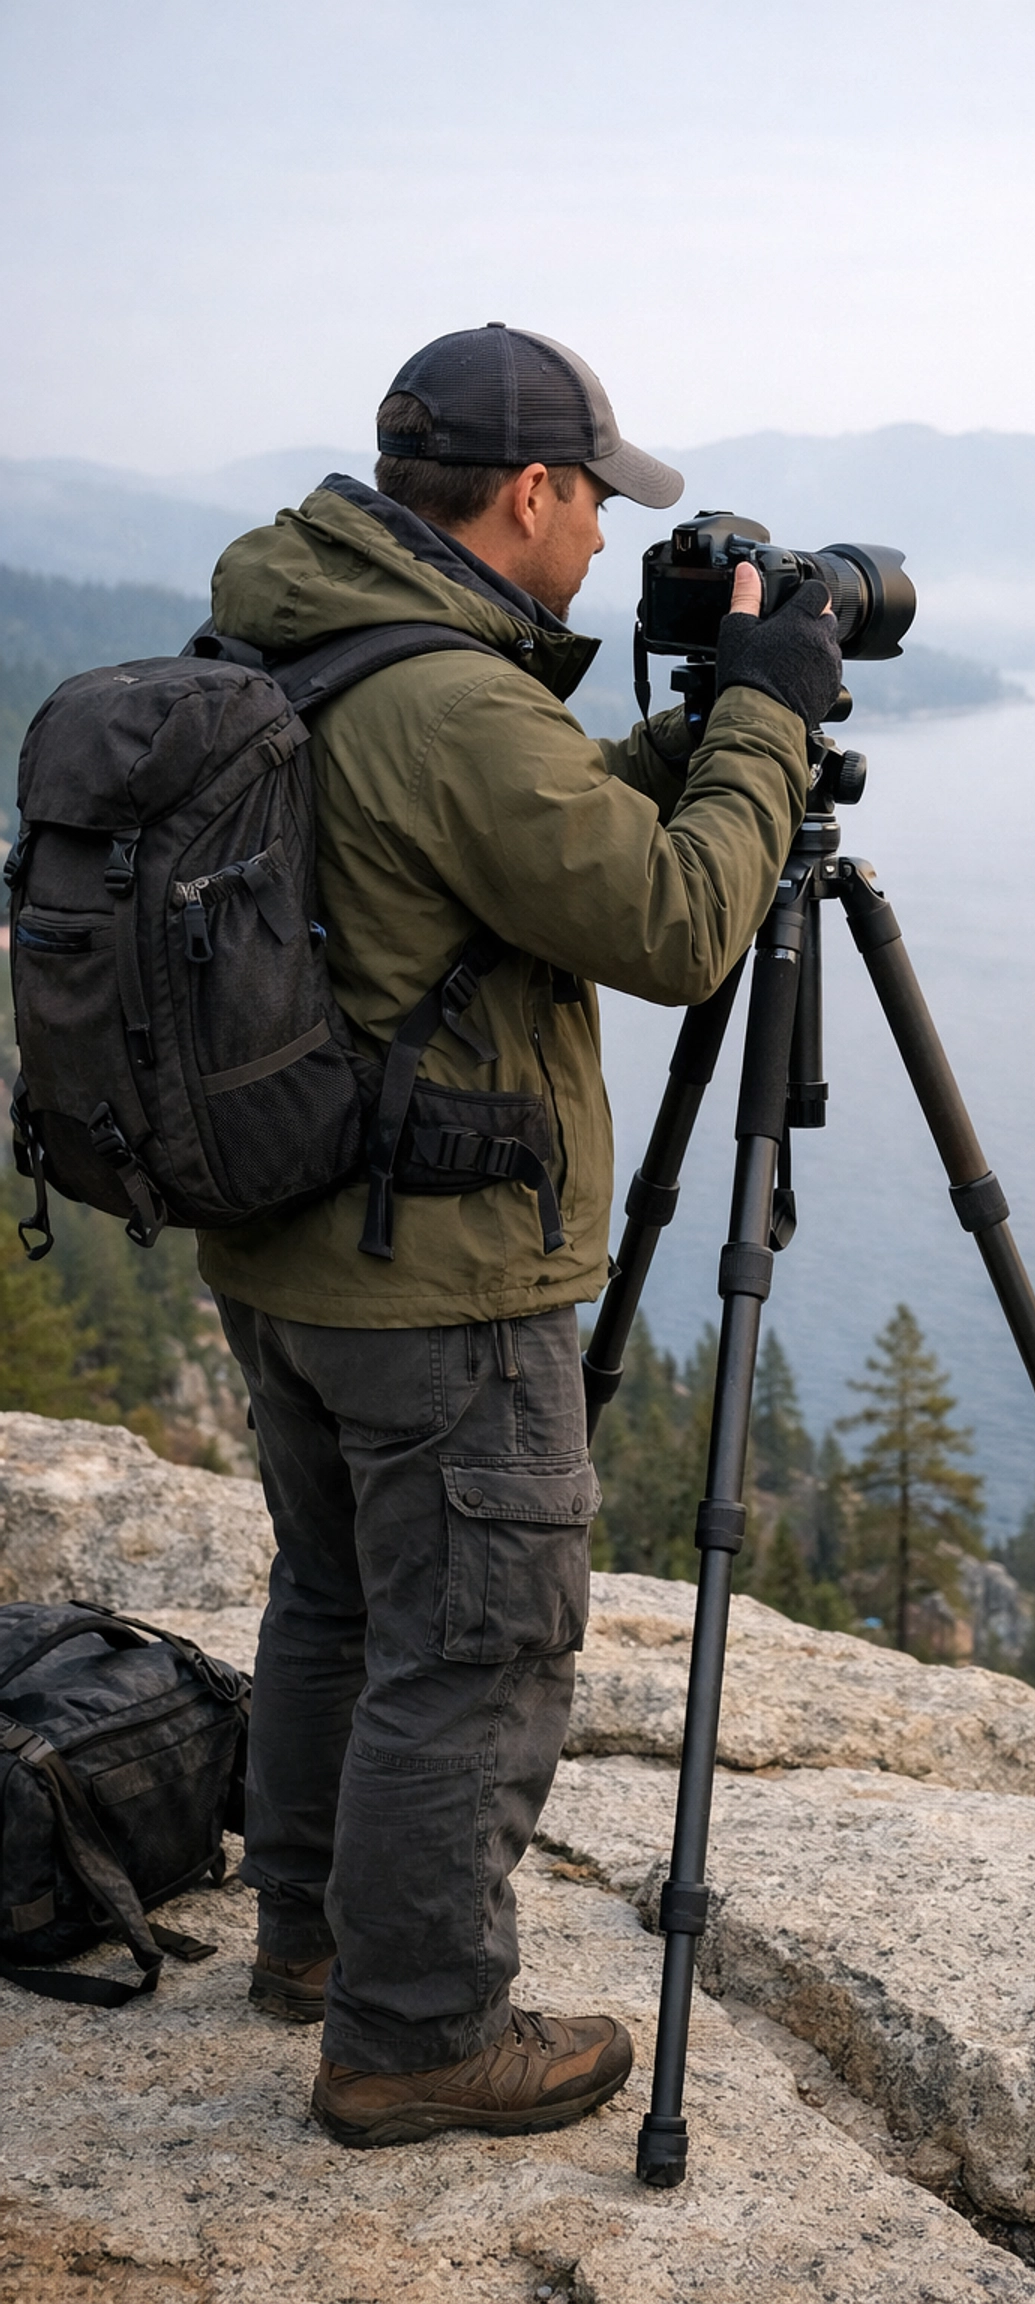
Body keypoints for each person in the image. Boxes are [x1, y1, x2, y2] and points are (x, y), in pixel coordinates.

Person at [199, 326, 843, 2148]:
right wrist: (776, 722)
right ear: (534, 493)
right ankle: (416, 2035)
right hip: (443, 1277)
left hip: (288, 1249)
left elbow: (495, 842)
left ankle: (317, 1946)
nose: (595, 545)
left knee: (335, 1600)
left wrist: (695, 728)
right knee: (476, 1648)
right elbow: (675, 922)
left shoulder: (302, 630)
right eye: (593, 503)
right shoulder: (454, 701)